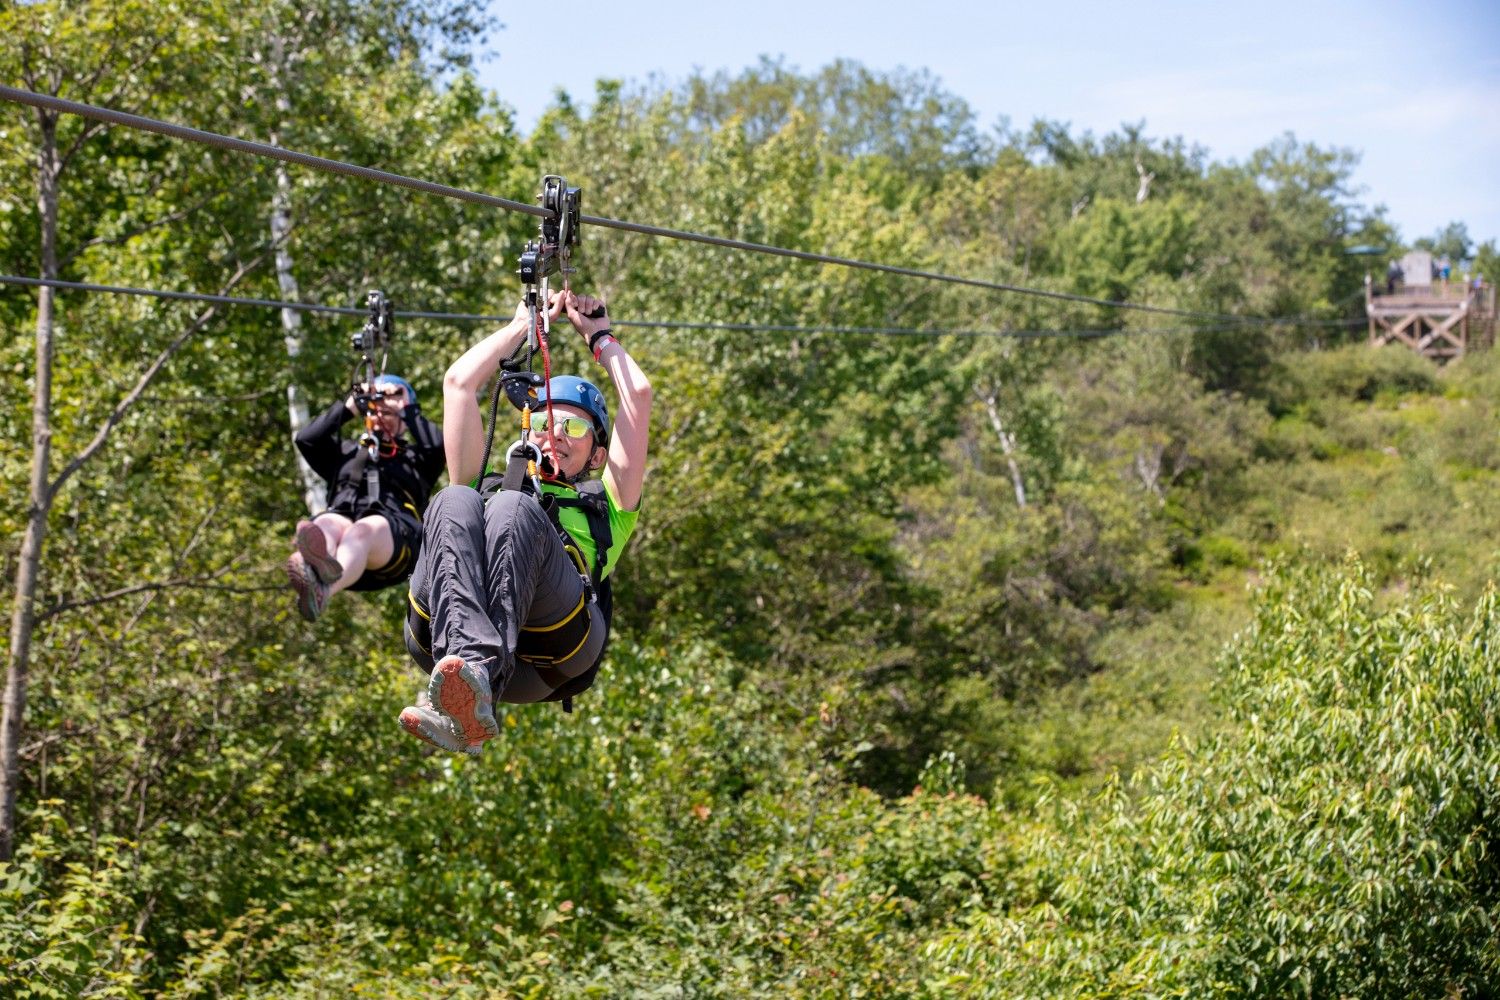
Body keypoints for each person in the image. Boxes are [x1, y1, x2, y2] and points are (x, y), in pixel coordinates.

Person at [398, 289, 651, 754]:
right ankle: (463, 695)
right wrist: (521, 327)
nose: (555, 434)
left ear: (597, 454)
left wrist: (600, 338)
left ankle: (474, 683)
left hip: (555, 646)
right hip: (440, 636)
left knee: (513, 509)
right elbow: (458, 384)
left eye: (573, 427)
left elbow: (637, 395)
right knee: (454, 497)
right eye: (543, 423)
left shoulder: (606, 506)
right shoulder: (490, 485)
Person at [288, 375, 445, 621]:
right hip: (344, 540)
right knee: (327, 523)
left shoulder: (417, 460)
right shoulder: (345, 452)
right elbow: (307, 439)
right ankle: (315, 566)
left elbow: (437, 445)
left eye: (390, 413)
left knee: (362, 530)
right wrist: (350, 406)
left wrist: (406, 406)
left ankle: (322, 591)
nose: (382, 415)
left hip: (395, 539)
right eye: (375, 410)